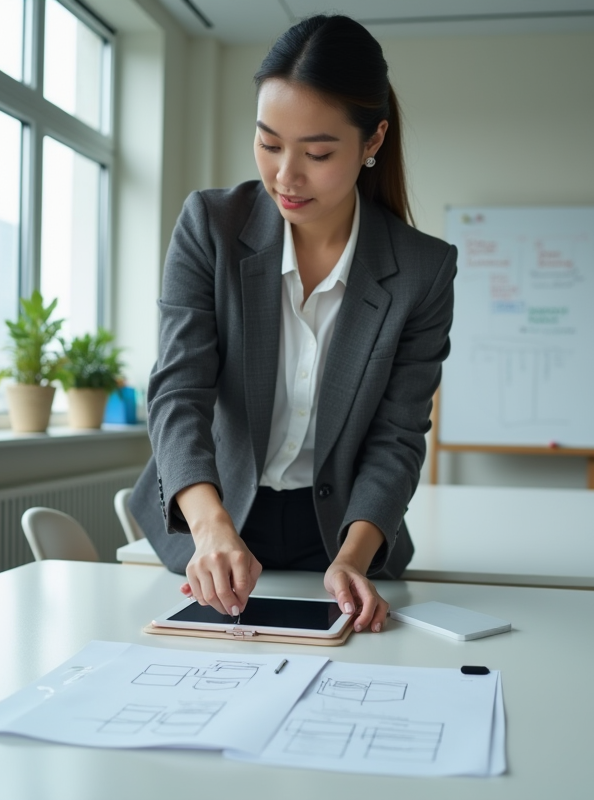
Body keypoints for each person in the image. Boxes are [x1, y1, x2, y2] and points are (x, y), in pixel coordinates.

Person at [128, 14, 456, 634]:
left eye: (318, 152)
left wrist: (354, 558)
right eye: (269, 143)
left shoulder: (423, 270)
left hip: (343, 533)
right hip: (208, 527)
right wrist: (210, 527)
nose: (285, 175)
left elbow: (398, 435)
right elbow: (178, 392)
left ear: (373, 140)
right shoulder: (210, 227)